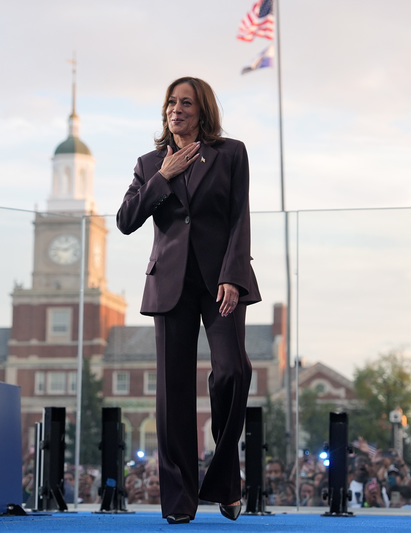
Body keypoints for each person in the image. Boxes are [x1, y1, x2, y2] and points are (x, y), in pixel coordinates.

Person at [117, 76, 261, 525]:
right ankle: (179, 502)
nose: (176, 109)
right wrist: (164, 176)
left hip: (221, 282)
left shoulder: (230, 153)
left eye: (186, 103)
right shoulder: (148, 164)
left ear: (203, 112)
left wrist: (234, 278)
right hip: (170, 285)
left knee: (232, 372)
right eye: (171, 102)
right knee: (173, 394)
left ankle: (225, 479)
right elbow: (125, 220)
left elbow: (240, 218)